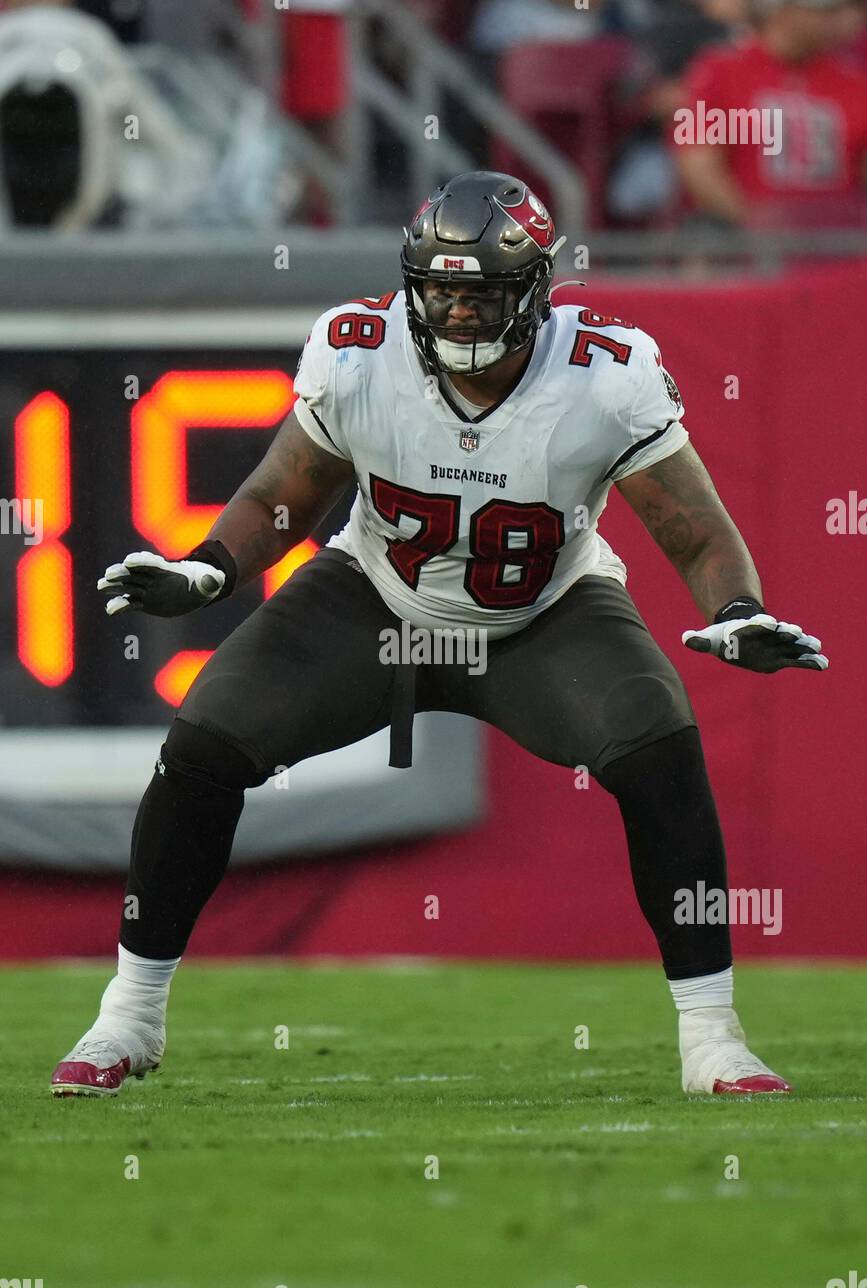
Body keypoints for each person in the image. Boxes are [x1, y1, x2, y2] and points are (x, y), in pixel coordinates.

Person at [51, 171, 827, 1101]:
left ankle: (713, 1036)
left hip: (542, 614)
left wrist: (735, 611)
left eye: (483, 292)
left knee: (657, 744)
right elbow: (280, 495)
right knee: (203, 745)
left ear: (535, 290)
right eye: (443, 290)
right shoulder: (357, 352)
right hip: (373, 596)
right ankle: (128, 1014)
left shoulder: (604, 374)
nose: (459, 312)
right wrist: (208, 567)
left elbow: (692, 528)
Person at [677, 0, 867, 229]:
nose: (831, 20)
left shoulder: (855, 81)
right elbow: (697, 164)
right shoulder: (717, 71)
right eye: (820, 11)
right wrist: (753, 225)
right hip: (744, 247)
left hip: (838, 247)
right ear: (778, 9)